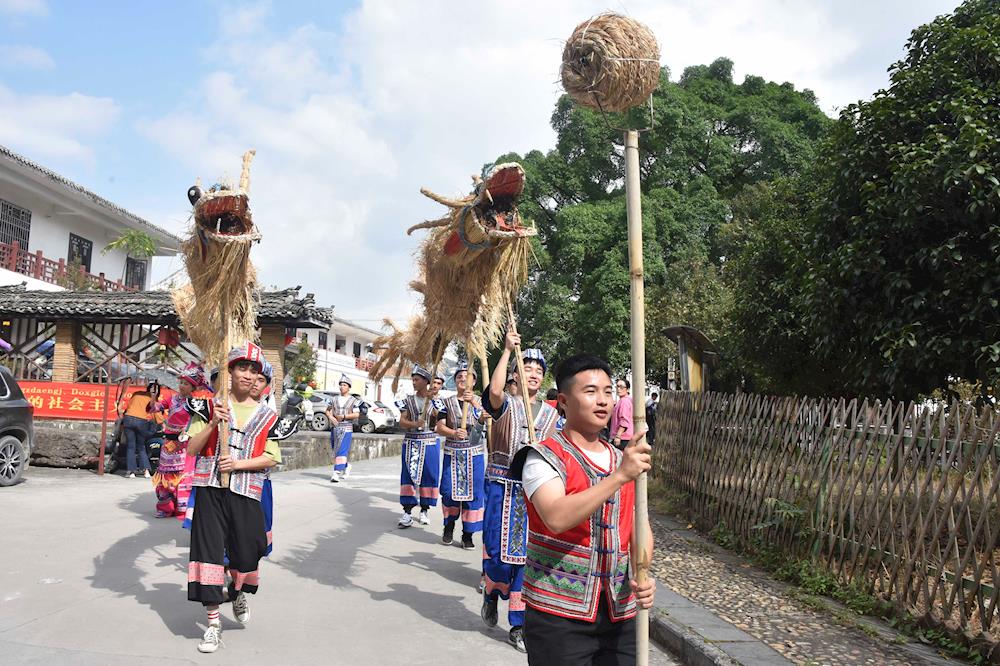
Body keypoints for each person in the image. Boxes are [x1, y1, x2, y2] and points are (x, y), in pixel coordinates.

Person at [510, 354, 655, 665]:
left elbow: (637, 524)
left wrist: (643, 574)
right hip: (557, 616)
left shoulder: (623, 459)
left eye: (607, 391)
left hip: (620, 612)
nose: (602, 400)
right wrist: (619, 477)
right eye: (590, 391)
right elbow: (556, 517)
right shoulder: (542, 457)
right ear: (563, 401)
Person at [182, 342, 283, 654]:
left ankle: (236, 590)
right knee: (208, 555)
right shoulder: (206, 407)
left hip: (246, 492)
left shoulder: (268, 415)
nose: (248, 375)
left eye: (254, 370)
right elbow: (191, 449)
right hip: (210, 490)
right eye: (242, 367)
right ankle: (213, 625)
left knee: (249, 552)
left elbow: (272, 458)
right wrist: (213, 423)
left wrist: (237, 464)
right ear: (230, 371)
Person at [481, 334, 561, 652]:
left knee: (527, 559)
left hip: (532, 494)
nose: (533, 374)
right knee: (499, 557)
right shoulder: (507, 405)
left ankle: (518, 624)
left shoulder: (552, 415)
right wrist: (505, 352)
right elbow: (494, 392)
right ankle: (491, 592)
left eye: (539, 370)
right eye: (527, 368)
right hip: (502, 489)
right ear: (516, 375)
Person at [436, 363, 487, 549]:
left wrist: (473, 402)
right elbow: (439, 427)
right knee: (449, 491)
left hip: (474, 454)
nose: (463, 379)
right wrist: (453, 432)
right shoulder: (446, 402)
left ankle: (468, 534)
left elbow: (488, 419)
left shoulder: (481, 401)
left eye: (468, 377)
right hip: (453, 453)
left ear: (474, 381)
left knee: (474, 494)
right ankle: (449, 526)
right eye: (459, 376)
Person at [148, 365, 204, 517]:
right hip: (169, 443)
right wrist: (153, 397)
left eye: (186, 384)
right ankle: (165, 508)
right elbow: (155, 408)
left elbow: (199, 422)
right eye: (181, 383)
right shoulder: (172, 399)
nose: (182, 386)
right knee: (166, 474)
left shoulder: (196, 403)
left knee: (183, 475)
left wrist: (188, 430)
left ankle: (182, 508)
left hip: (185, 444)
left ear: (193, 387)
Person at [395, 364, 441, 528]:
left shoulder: (436, 401)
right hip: (411, 442)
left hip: (430, 442)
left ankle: (424, 510)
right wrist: (415, 423)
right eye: (413, 380)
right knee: (408, 475)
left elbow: (439, 421)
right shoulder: (407, 400)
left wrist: (433, 401)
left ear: (426, 381)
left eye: (417, 380)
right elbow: (402, 422)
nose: (414, 382)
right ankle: (407, 512)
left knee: (429, 475)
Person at [326, 374, 364, 483]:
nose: (342, 387)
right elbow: (327, 410)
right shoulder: (334, 399)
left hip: (346, 427)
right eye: (341, 385)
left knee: (342, 450)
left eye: (344, 385)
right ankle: (346, 466)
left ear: (349, 387)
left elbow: (356, 414)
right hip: (335, 427)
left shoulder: (353, 400)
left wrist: (344, 416)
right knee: (336, 450)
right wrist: (331, 417)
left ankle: (336, 472)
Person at [122, 380, 158, 478]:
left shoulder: (136, 393)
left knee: (131, 447)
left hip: (128, 419)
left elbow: (129, 406)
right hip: (141, 421)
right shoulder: (152, 398)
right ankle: (146, 471)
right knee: (141, 446)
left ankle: (131, 472)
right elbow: (153, 410)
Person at [609, 378, 633, 450]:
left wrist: (618, 436)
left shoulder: (624, 401)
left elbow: (624, 420)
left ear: (627, 389)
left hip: (622, 438)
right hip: (625, 437)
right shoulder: (627, 400)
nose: (618, 389)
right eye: (617, 386)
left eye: (621, 387)